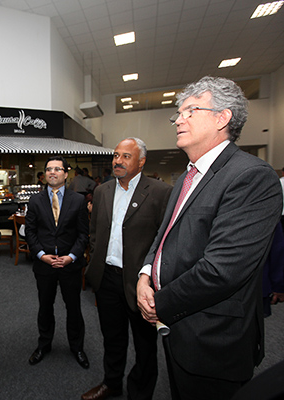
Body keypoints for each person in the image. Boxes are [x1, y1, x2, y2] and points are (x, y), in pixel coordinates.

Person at [136, 76, 283, 400]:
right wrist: (146, 273)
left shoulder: (251, 177)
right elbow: (163, 236)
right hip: (178, 329)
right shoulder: (188, 176)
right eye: (179, 112)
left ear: (222, 117)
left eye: (191, 110)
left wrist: (157, 304)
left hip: (212, 339)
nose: (179, 119)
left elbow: (222, 270)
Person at [82, 138, 172, 400]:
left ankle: (140, 393)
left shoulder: (160, 192)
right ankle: (112, 383)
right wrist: (94, 262)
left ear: (141, 162)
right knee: (112, 337)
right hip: (106, 279)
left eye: (126, 156)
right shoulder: (102, 191)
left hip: (141, 284)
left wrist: (153, 279)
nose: (118, 161)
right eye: (115, 155)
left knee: (145, 345)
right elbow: (95, 232)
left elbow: (165, 241)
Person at [25, 156, 90, 369]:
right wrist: (41, 254)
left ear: (65, 173)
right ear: (45, 174)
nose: (53, 172)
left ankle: (77, 347)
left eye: (57, 169)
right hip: (44, 265)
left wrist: (71, 256)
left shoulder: (78, 200)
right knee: (45, 307)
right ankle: (44, 345)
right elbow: (31, 233)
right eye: (49, 169)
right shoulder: (34, 201)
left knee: (74, 308)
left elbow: (83, 234)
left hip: (70, 265)